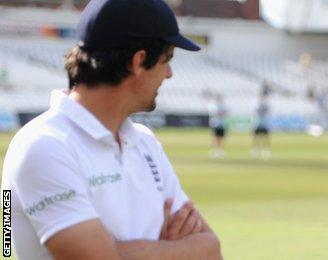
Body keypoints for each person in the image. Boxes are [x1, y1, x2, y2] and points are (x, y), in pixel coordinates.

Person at [1, 0, 222, 259]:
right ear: (139, 61)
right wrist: (177, 250)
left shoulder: (145, 141)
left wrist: (125, 251)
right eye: (167, 59)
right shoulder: (44, 145)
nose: (169, 74)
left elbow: (212, 250)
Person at [251, 94, 271, 160]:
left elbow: (269, 112)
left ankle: (265, 150)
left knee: (266, 138)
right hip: (257, 123)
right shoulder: (256, 105)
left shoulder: (266, 105)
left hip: (264, 123)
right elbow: (254, 113)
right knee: (256, 138)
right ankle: (255, 150)